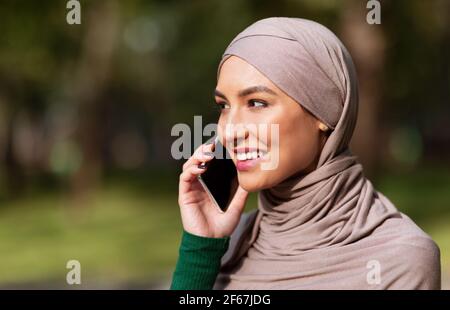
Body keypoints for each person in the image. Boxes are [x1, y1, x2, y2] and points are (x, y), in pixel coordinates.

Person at [170, 17, 441, 290]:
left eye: (257, 103)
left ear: (325, 110)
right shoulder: (228, 244)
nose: (228, 132)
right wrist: (201, 249)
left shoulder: (398, 260)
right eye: (224, 106)